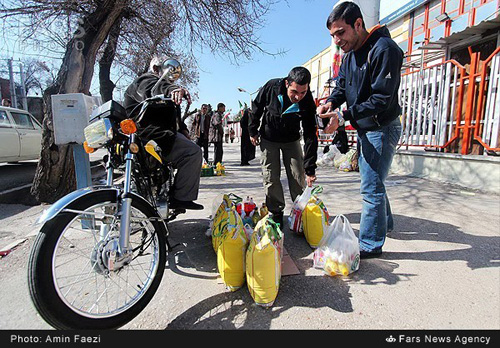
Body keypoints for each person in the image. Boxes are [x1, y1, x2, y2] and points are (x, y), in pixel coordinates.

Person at [316, 1, 403, 258]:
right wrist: (330, 102)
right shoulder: (350, 55)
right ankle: (384, 224)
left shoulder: (384, 49)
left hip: (383, 127)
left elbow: (381, 99)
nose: (337, 40)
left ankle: (370, 244)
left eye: (340, 32)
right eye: (332, 35)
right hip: (366, 128)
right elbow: (341, 87)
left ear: (358, 24)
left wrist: (343, 116)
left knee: (371, 187)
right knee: (373, 180)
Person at [123, 55, 203, 211]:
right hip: (149, 135)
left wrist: (184, 130)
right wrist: (173, 89)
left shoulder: (165, 93)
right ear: (155, 69)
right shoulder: (145, 80)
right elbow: (153, 88)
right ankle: (181, 198)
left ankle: (167, 190)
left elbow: (174, 118)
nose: (171, 78)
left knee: (190, 146)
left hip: (161, 135)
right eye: (168, 70)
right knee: (193, 152)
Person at [249, 66, 318, 228]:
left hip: (292, 139)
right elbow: (256, 108)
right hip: (269, 138)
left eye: (303, 92)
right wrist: (253, 131)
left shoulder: (307, 100)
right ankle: (277, 212)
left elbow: (310, 134)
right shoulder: (271, 87)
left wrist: (310, 168)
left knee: (297, 175)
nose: (298, 97)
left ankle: (299, 211)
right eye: (294, 91)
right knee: (271, 177)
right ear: (287, 83)